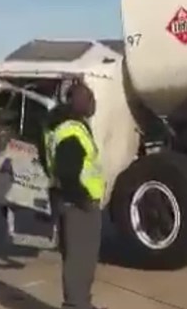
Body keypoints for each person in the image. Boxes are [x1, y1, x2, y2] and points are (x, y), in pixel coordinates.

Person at [44, 79, 106, 309]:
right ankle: (76, 305)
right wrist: (82, 200)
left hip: (69, 201)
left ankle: (81, 304)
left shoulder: (63, 125)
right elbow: (67, 171)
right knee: (80, 261)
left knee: (80, 259)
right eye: (88, 98)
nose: (93, 103)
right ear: (75, 101)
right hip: (77, 205)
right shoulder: (70, 131)